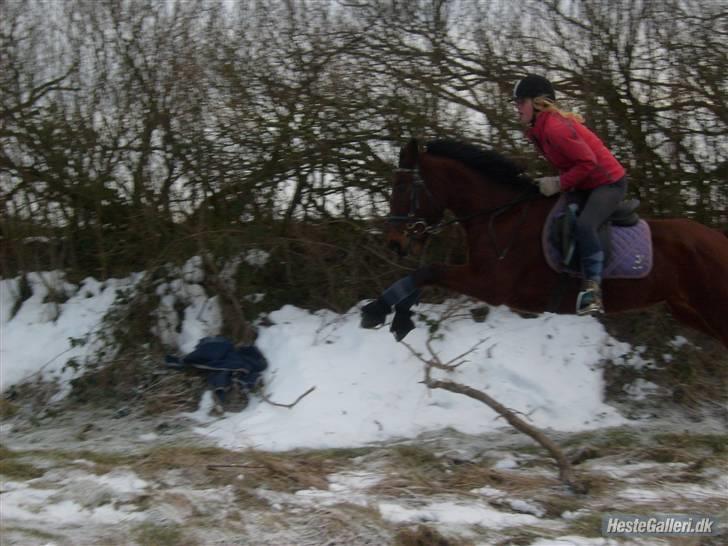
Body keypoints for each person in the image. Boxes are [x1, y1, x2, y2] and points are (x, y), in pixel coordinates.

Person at [512, 74, 628, 315]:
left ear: (537, 103)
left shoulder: (555, 129)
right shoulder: (540, 131)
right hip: (585, 184)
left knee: (585, 226)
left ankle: (593, 290)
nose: (517, 109)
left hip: (608, 183)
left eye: (520, 102)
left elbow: (588, 163)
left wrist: (558, 183)